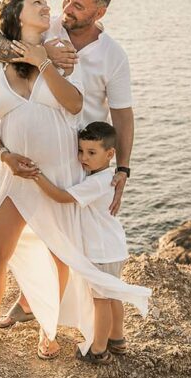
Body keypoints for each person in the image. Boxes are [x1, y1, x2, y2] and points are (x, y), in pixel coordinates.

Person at [0, 0, 149, 358]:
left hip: (59, 170)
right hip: (14, 174)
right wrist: (5, 155)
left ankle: (48, 326)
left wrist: (45, 59)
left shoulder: (61, 53)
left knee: (60, 254)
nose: (53, 6)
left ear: (98, 12)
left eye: (53, 2)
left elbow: (76, 104)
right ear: (17, 14)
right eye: (38, 2)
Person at [32, 121, 131, 364]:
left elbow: (61, 196)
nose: (83, 158)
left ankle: (98, 349)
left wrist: (36, 175)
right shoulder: (104, 176)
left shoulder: (96, 182)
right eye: (80, 151)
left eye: (91, 153)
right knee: (112, 294)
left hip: (102, 252)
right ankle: (117, 339)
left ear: (110, 154)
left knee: (101, 301)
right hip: (113, 248)